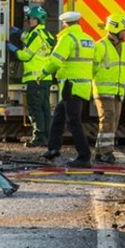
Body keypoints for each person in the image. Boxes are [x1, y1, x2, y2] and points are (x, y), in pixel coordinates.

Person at [41, 11, 95, 167]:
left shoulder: (67, 39)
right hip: (82, 85)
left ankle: (84, 157)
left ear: (65, 24)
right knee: (58, 117)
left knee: (73, 122)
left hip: (70, 85)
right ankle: (53, 148)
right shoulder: (88, 39)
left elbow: (56, 61)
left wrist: (43, 72)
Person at [92, 14, 125, 164]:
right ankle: (106, 152)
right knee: (108, 120)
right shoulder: (100, 46)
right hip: (103, 92)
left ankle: (99, 152)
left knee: (113, 122)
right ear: (115, 28)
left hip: (118, 93)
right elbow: (91, 68)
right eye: (124, 30)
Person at [7, 6, 56, 147]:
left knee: (35, 109)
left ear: (38, 19)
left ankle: (38, 137)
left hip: (35, 80)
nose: (29, 21)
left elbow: (26, 55)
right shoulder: (46, 34)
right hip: (45, 78)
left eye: (32, 18)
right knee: (45, 109)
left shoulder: (36, 35)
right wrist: (19, 32)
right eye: (29, 18)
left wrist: (13, 48)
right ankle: (46, 136)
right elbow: (29, 38)